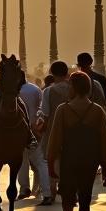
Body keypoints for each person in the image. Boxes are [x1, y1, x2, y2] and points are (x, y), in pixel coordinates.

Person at [46, 70, 106, 211]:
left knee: (67, 196)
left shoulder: (63, 110)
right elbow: (105, 140)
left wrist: (51, 163)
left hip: (69, 160)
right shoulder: (97, 111)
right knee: (85, 199)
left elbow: (55, 140)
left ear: (73, 88)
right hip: (89, 161)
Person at [37, 60, 71, 201]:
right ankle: (69, 190)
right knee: (68, 159)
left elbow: (45, 112)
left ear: (52, 73)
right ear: (67, 72)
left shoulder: (48, 91)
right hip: (71, 129)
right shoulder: (73, 88)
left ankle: (51, 191)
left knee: (50, 159)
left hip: (53, 129)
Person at [17, 73, 51, 204]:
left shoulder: (12, 91)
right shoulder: (35, 89)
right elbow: (41, 109)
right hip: (35, 129)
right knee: (41, 161)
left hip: (18, 132)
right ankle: (46, 192)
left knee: (22, 161)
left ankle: (24, 189)